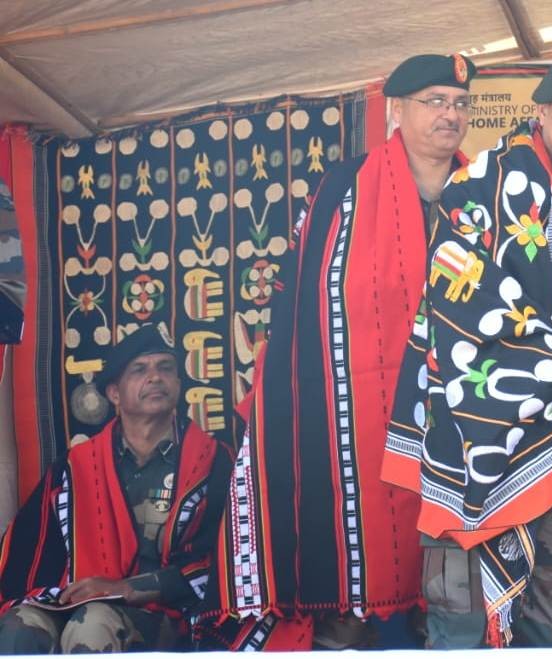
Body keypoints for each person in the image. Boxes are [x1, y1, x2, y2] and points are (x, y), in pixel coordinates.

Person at [193, 53, 476, 650]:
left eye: (459, 103)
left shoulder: (483, 189)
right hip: (356, 407)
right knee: (359, 552)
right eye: (435, 101)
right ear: (395, 109)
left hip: (463, 407)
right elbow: (300, 301)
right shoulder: (342, 190)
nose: (450, 115)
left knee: (456, 576)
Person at [382, 52, 552, 648]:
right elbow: (466, 301)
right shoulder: (482, 181)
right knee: (462, 622)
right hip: (477, 442)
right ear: (541, 111)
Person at [0, 323, 233, 653]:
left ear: (179, 384)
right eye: (140, 369)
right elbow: (30, 551)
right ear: (114, 393)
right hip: (78, 603)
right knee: (18, 625)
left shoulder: (214, 462)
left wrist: (128, 588)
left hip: (169, 616)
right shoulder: (74, 466)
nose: (155, 377)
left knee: (93, 622)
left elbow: (224, 560)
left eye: (165, 368)